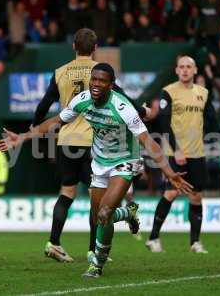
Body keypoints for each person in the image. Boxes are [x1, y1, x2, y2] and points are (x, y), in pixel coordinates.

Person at [0, 63, 192, 278]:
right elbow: (54, 121)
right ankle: (128, 212)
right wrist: (22, 137)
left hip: (124, 161)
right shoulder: (82, 100)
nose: (96, 84)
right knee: (100, 217)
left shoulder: (122, 107)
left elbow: (147, 141)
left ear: (111, 85)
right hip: (99, 162)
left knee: (105, 213)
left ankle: (96, 265)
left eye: (102, 81)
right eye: (94, 79)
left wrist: (169, 171)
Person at [32, 28, 149, 262]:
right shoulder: (99, 74)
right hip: (93, 142)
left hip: (66, 141)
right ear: (95, 48)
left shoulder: (61, 72)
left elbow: (44, 105)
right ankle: (93, 250)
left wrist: (35, 128)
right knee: (98, 198)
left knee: (67, 192)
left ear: (74, 47)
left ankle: (54, 242)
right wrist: (143, 111)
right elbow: (124, 99)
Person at [145, 56, 220, 254]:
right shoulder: (168, 92)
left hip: (196, 153)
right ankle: (153, 238)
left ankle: (195, 243)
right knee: (171, 192)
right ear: (177, 70)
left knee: (196, 196)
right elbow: (164, 123)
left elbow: (212, 121)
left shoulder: (203, 93)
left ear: (195, 71)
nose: (185, 70)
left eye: (189, 67)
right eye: (182, 67)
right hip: (174, 153)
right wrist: (176, 149)